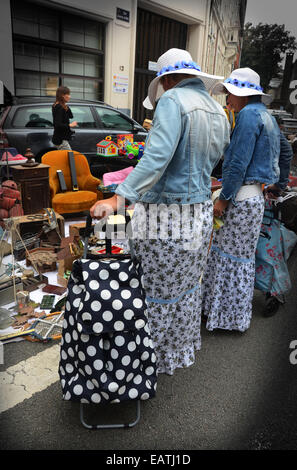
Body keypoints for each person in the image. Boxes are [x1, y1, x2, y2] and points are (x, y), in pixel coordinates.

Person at [90, 48, 230, 375]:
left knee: (154, 293)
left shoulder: (172, 101)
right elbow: (214, 161)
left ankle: (140, 365)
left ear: (165, 79)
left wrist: (118, 199)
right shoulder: (217, 109)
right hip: (198, 215)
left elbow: (156, 158)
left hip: (165, 217)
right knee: (184, 291)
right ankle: (171, 356)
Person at [202, 67, 282, 332]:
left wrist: (223, 200)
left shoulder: (247, 116)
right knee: (240, 260)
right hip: (254, 197)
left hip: (241, 197)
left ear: (242, 95)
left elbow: (237, 163)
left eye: (230, 94)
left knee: (228, 257)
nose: (228, 100)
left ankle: (222, 317)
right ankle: (231, 317)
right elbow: (283, 152)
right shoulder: (265, 115)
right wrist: (276, 183)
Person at [52, 86, 77, 150]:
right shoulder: (59, 107)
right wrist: (70, 125)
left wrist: (65, 105)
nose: (69, 96)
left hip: (60, 138)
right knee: (69, 158)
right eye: (68, 94)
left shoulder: (61, 106)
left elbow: (71, 116)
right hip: (61, 140)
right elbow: (57, 124)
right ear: (62, 95)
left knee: (62, 158)